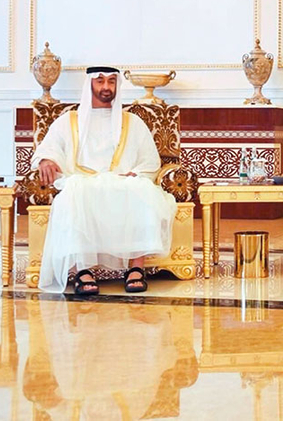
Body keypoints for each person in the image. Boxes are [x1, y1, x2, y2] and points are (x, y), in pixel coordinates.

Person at [31, 66, 177, 294]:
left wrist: (135, 174)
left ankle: (136, 268)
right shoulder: (68, 121)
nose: (106, 87)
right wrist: (46, 160)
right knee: (75, 192)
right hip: (81, 181)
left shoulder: (132, 122)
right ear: (89, 84)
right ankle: (82, 271)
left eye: (111, 81)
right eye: (100, 81)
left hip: (123, 182)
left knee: (141, 189)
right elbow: (47, 148)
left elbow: (150, 160)